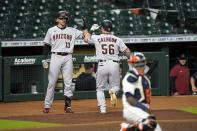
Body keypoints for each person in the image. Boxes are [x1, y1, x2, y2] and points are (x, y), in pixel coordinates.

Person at [42, 11, 87, 113]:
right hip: (55, 56)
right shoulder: (51, 30)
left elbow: (85, 37)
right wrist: (44, 58)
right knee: (51, 82)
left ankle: (68, 106)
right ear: (57, 19)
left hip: (68, 57)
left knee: (68, 82)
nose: (63, 20)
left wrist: (84, 26)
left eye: (65, 19)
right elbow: (46, 46)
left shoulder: (72, 30)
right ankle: (47, 105)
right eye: (61, 18)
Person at [83, 19, 131, 114]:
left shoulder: (97, 37)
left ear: (102, 28)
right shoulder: (117, 39)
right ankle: (112, 91)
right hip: (114, 64)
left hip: (102, 64)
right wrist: (128, 58)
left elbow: (85, 39)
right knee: (116, 86)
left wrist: (91, 30)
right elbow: (127, 52)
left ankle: (103, 109)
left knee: (100, 88)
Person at [120, 52, 162, 131]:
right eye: (136, 63)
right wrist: (144, 108)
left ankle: (129, 128)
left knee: (152, 127)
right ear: (132, 64)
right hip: (131, 108)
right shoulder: (130, 77)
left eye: (141, 62)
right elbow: (129, 99)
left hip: (140, 109)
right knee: (152, 126)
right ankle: (128, 128)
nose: (139, 65)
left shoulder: (145, 78)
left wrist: (146, 110)